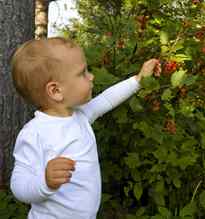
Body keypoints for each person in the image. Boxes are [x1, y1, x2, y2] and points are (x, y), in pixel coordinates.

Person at [10, 37, 161, 219]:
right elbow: (18, 185)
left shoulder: (79, 115)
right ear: (56, 91)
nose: (91, 76)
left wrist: (138, 79)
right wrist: (45, 182)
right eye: (83, 73)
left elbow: (107, 99)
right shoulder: (34, 133)